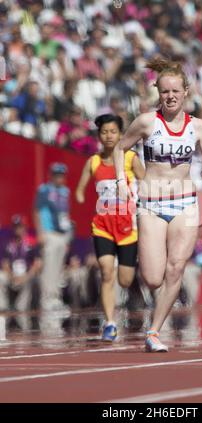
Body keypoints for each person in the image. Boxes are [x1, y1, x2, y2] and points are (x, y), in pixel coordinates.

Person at [113, 58, 202, 352]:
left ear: (186, 92)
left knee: (176, 268)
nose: (170, 96)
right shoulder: (147, 122)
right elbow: (121, 147)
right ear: (158, 93)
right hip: (151, 204)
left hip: (185, 203)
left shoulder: (199, 127)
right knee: (154, 277)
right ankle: (144, 296)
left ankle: (154, 332)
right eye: (164, 92)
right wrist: (122, 181)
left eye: (175, 91)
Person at [75, 114, 145, 341]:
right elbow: (80, 187)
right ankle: (110, 323)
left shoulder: (130, 158)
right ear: (98, 135)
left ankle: (134, 295)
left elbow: (147, 182)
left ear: (121, 135)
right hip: (103, 225)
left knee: (124, 279)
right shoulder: (93, 162)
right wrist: (79, 195)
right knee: (106, 272)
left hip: (128, 227)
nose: (108, 136)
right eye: (104, 132)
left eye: (113, 132)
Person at [34, 162, 73, 312]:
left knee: (58, 267)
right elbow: (37, 211)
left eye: (61, 175)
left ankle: (56, 297)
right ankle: (47, 298)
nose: (59, 177)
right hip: (49, 233)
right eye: (56, 174)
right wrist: (40, 233)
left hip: (62, 234)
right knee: (49, 267)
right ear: (51, 175)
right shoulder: (44, 190)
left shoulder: (65, 191)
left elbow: (66, 214)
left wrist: (68, 234)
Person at [0, 215, 42, 312]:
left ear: (25, 227)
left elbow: (37, 264)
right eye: (16, 226)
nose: (18, 229)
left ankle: (21, 307)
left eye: (20, 226)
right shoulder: (7, 243)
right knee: (0, 276)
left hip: (27, 274)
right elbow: (5, 264)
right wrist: (11, 276)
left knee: (32, 279)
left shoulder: (32, 242)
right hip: (12, 275)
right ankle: (3, 307)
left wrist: (25, 277)